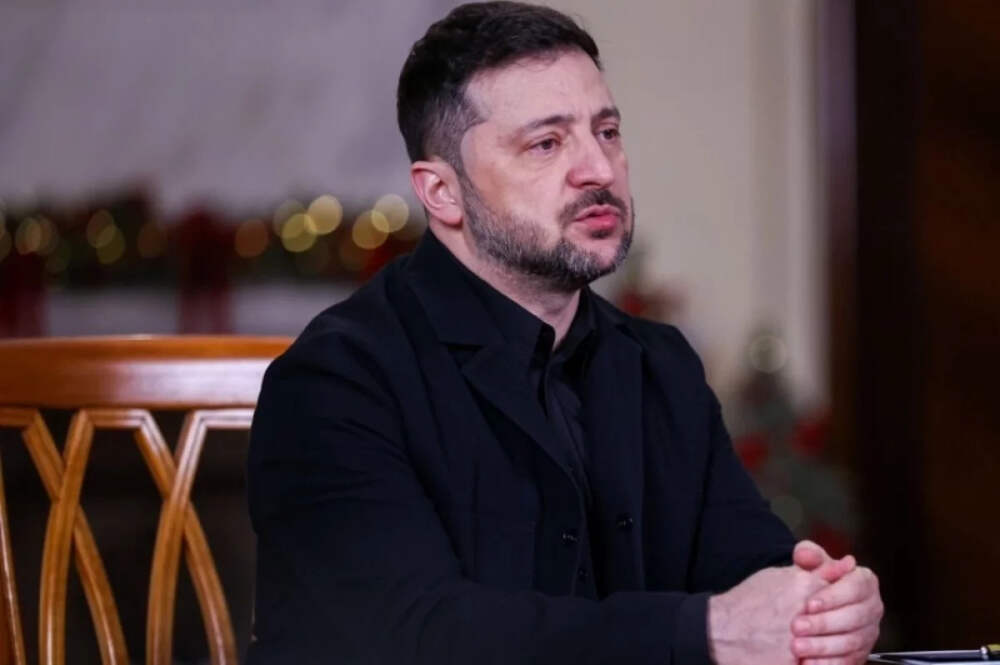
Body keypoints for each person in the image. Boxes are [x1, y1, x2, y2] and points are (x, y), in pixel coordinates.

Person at [246, 3, 883, 663]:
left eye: (606, 132)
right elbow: (415, 637)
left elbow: (753, 572)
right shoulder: (336, 381)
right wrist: (704, 631)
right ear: (441, 193)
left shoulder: (659, 365)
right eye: (546, 144)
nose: (599, 169)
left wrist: (822, 610)